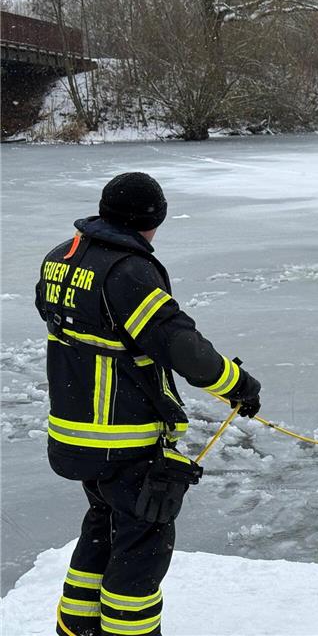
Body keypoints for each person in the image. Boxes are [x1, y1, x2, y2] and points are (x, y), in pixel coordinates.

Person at [36, 172, 262, 636]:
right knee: (142, 545)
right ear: (151, 219)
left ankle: (77, 627)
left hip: (74, 434)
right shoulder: (128, 271)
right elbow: (179, 345)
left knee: (103, 526)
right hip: (123, 438)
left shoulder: (61, 257)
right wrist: (236, 384)